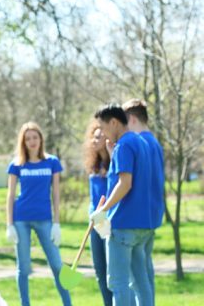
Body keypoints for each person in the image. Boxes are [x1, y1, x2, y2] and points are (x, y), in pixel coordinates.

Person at [90, 104, 154, 306]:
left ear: (115, 122)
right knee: (140, 281)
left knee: (118, 283)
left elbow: (125, 183)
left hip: (123, 224)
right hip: (142, 224)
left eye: (103, 127)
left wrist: (103, 209)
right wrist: (112, 153)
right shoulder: (139, 141)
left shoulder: (125, 145)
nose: (102, 132)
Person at [5, 121, 71, 306]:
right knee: (24, 269)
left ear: (41, 139)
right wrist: (9, 224)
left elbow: (56, 194)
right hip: (21, 220)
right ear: (23, 142)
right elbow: (10, 196)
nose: (32, 141)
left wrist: (57, 223)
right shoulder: (17, 164)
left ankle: (68, 303)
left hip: (45, 219)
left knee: (57, 265)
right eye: (28, 139)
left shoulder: (52, 162)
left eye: (35, 137)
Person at [123, 98, 165, 304]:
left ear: (131, 119)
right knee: (145, 273)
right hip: (152, 215)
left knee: (138, 278)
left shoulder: (139, 144)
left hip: (138, 217)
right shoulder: (154, 142)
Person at [83, 120, 112, 306]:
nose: (96, 139)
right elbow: (93, 197)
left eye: (100, 135)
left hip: (109, 221)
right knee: (100, 271)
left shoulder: (114, 163)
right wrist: (91, 214)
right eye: (94, 135)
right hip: (95, 222)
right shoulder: (94, 165)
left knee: (113, 272)